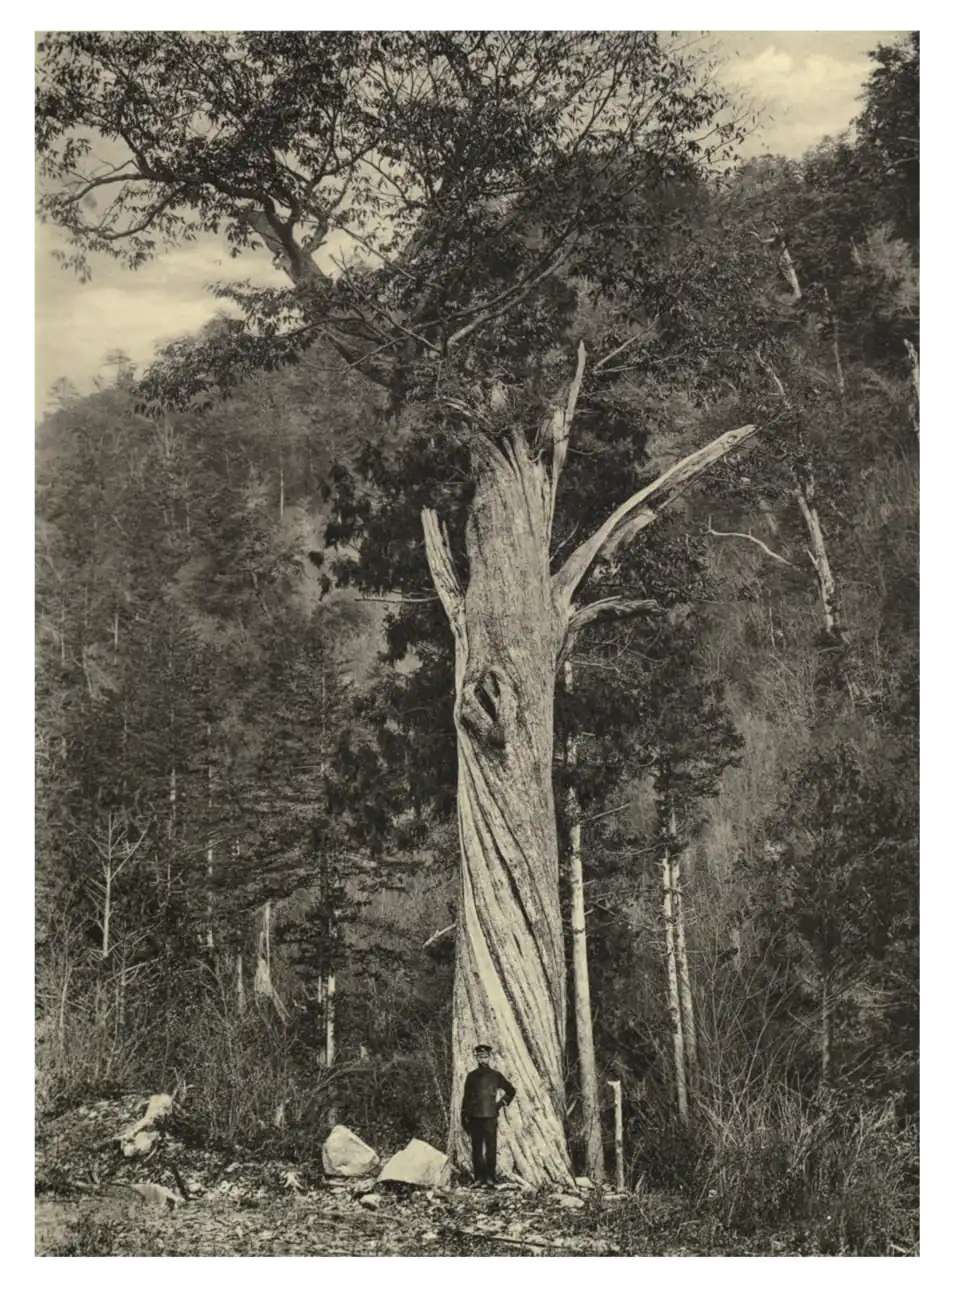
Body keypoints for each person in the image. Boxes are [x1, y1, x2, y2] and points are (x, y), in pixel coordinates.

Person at [460, 1043, 516, 1187]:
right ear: (476, 1058)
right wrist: (464, 1116)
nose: (483, 1059)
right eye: (480, 1057)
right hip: (475, 1117)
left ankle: (491, 1178)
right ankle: (479, 1178)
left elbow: (511, 1091)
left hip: (490, 1116)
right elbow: (466, 1098)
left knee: (491, 1148)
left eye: (485, 1057)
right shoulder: (471, 1076)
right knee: (477, 1149)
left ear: (489, 1058)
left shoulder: (496, 1075)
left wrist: (499, 1105)